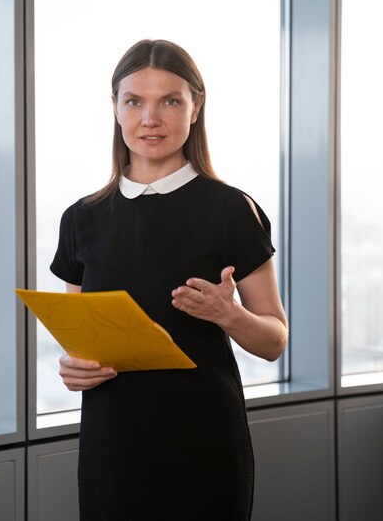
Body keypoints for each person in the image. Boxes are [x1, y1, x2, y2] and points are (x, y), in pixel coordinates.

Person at [50, 39, 288, 521]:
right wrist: (74, 370)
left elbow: (274, 341)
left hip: (205, 445)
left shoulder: (230, 211)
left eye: (170, 101)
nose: (149, 118)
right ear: (115, 108)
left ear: (196, 107)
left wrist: (230, 315)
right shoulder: (81, 219)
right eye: (134, 100)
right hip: (111, 448)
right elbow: (81, 343)